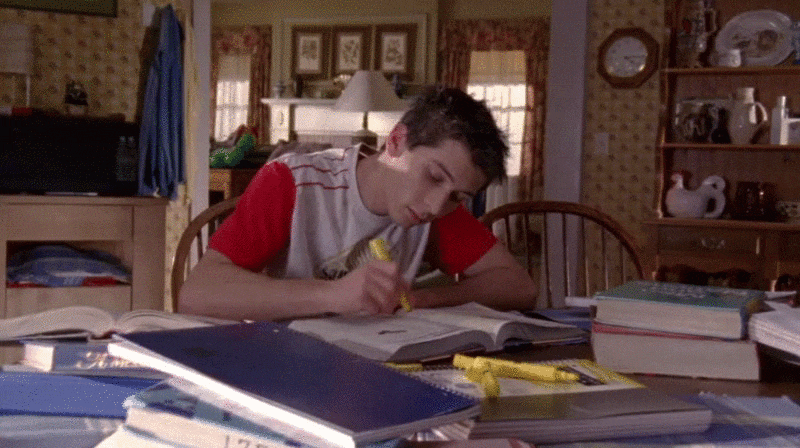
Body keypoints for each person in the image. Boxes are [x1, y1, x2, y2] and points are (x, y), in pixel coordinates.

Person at [179, 85, 535, 321]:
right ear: (395, 142)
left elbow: (519, 286)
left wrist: (420, 299)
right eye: (433, 176)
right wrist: (332, 295)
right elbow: (196, 294)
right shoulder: (292, 180)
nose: (435, 206)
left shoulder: (436, 208)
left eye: (458, 196)